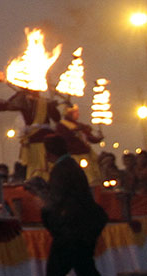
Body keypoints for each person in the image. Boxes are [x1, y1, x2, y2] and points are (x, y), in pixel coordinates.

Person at [25, 134, 107, 276]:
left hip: (71, 230)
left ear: (49, 153)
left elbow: (55, 200)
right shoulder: (71, 165)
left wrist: (39, 192)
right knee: (85, 267)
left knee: (56, 270)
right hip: (84, 226)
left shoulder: (61, 169)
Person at [7, 86, 60, 180]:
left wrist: (51, 106)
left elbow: (57, 118)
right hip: (32, 142)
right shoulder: (23, 102)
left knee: (46, 167)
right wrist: (21, 93)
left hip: (45, 141)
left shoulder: (45, 102)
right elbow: (9, 104)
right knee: (35, 167)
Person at [56, 105, 106, 185]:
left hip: (86, 154)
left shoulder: (80, 125)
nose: (78, 114)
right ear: (69, 114)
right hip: (74, 155)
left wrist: (98, 138)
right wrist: (75, 130)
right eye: (76, 112)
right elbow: (64, 137)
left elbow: (89, 137)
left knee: (93, 174)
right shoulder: (62, 125)